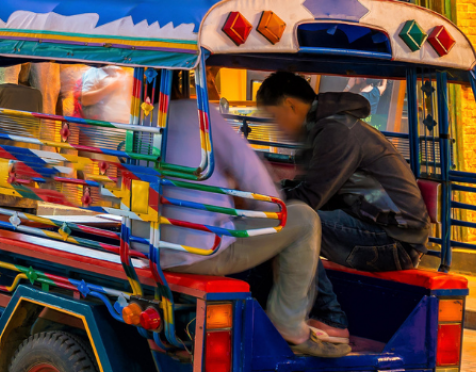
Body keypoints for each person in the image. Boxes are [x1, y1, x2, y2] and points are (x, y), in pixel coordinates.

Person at [148, 71, 347, 358]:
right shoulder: (202, 116)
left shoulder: (137, 123)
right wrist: (266, 210)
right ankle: (290, 322)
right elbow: (257, 183)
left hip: (152, 249)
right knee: (303, 219)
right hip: (204, 252)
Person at [258, 71, 430, 342]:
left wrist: (264, 201)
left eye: (275, 117)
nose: (276, 127)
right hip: (379, 229)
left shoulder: (336, 131)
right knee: (291, 218)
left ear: (290, 105)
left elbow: (311, 197)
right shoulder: (324, 128)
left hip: (394, 241)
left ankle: (329, 317)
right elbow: (312, 187)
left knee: (296, 225)